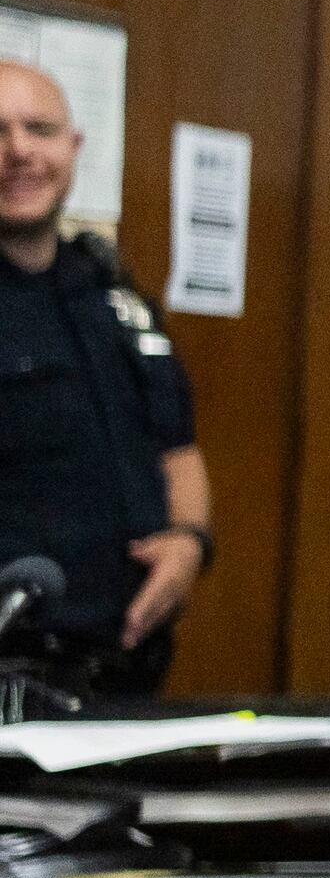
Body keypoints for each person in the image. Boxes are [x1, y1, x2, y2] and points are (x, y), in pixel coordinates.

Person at [0, 61, 207, 699]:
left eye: (39, 129)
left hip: (127, 675)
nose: (18, 150)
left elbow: (177, 446)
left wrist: (189, 541)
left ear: (73, 146)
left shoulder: (115, 297)